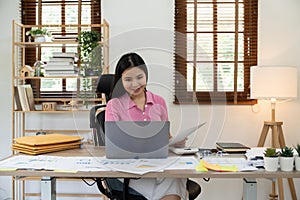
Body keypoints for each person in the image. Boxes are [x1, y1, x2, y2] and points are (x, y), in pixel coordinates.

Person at [105, 52, 187, 200]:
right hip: (127, 171)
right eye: (128, 79)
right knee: (174, 185)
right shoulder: (114, 105)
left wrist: (176, 142)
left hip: (157, 166)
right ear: (120, 81)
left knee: (176, 176)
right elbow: (114, 143)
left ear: (146, 75)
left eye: (139, 77)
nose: (135, 84)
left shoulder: (159, 102)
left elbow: (165, 137)